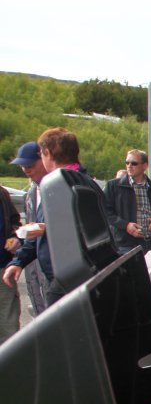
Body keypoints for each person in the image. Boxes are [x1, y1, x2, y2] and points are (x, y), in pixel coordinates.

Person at [3, 127, 104, 306]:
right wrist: (19, 260)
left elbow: (83, 228)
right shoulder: (86, 182)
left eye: (41, 153)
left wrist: (46, 228)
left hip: (68, 276)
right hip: (78, 272)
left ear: (47, 153)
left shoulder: (60, 184)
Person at [103, 149, 151, 254]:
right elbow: (105, 212)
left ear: (145, 166)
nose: (129, 166)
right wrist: (126, 226)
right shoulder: (113, 186)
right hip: (125, 246)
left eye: (134, 163)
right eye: (127, 162)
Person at [9, 142, 48, 315]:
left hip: (51, 263)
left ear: (44, 159)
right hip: (32, 260)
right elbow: (28, 224)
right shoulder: (32, 192)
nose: (26, 170)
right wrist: (18, 239)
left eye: (30, 165)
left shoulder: (57, 187)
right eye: (22, 166)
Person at [0, 184, 20, 344]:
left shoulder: (2, 193)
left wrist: (15, 237)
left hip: (3, 270)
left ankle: (10, 366)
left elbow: (15, 222)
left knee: (9, 326)